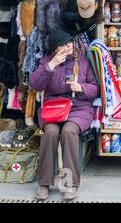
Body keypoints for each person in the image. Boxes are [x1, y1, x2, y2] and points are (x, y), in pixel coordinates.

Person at [29, 29, 98, 201]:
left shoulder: (82, 61)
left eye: (69, 44)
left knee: (69, 131)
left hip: (78, 108)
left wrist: (81, 88)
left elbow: (96, 88)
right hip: (54, 108)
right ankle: (44, 183)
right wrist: (50, 66)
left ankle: (70, 183)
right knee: (50, 133)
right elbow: (35, 85)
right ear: (55, 48)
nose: (68, 47)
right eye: (64, 45)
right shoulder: (47, 61)